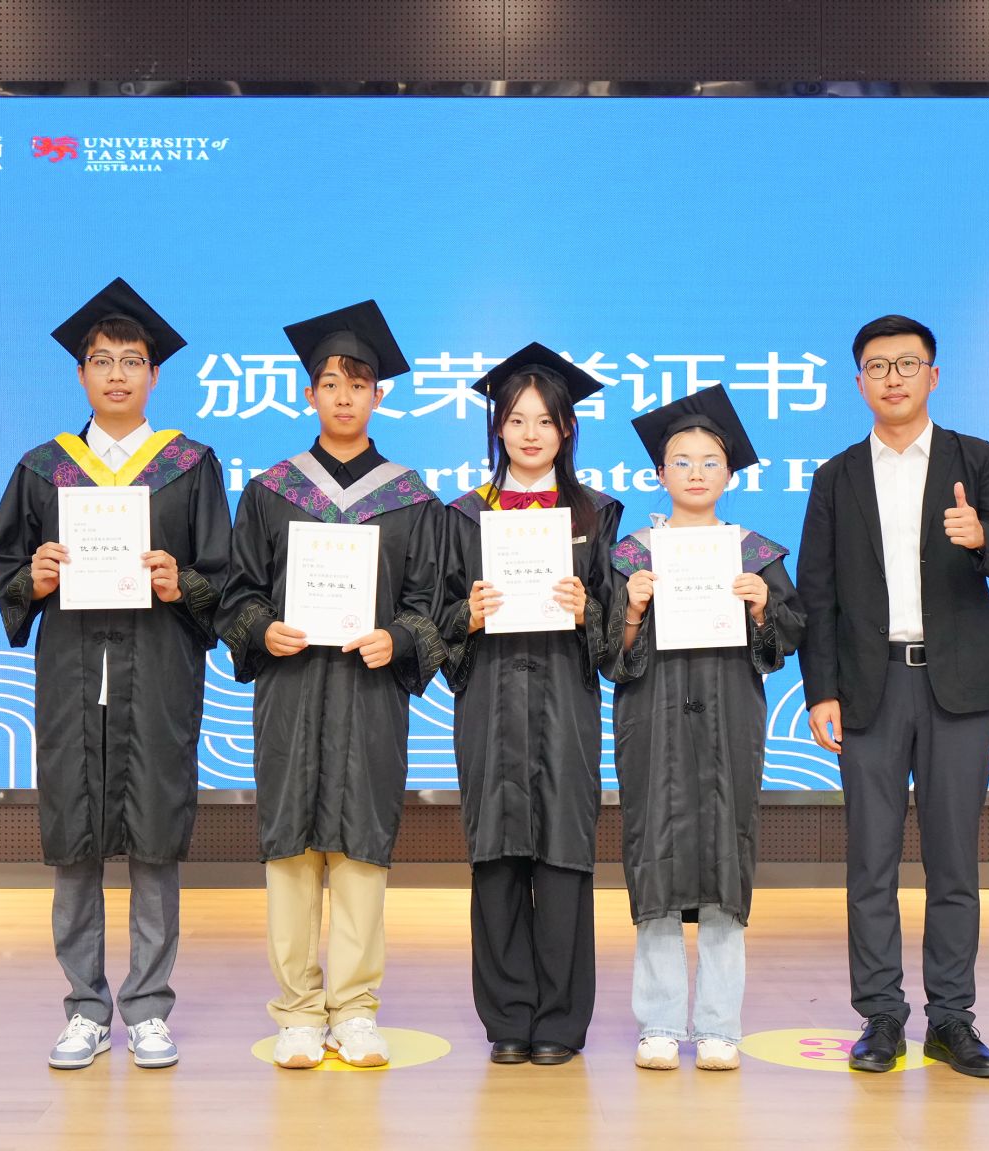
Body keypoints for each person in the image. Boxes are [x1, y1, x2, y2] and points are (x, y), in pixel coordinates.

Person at [0, 277, 231, 1070]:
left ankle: (149, 1007)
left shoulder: (189, 466)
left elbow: (223, 575)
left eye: (131, 361)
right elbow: (4, 561)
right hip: (72, 673)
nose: (117, 374)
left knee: (155, 840)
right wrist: (33, 579)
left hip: (156, 673)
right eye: (102, 360)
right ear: (81, 373)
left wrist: (180, 582)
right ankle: (86, 1008)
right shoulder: (43, 468)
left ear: (154, 374)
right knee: (75, 839)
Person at [796, 314, 989, 1078]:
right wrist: (820, 691)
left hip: (956, 685)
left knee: (953, 860)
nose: (892, 377)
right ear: (858, 382)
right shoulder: (836, 477)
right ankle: (881, 1016)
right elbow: (817, 592)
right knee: (870, 861)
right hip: (868, 687)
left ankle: (952, 1018)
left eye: (906, 363)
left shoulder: (977, 459)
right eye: (877, 365)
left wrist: (981, 538)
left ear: (934, 375)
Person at [216, 299, 448, 1069]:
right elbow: (237, 593)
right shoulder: (271, 490)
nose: (344, 396)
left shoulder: (410, 497)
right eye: (330, 382)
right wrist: (261, 628)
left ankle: (354, 1009)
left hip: (369, 695)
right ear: (309, 393)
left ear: (379, 394)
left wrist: (399, 638)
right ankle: (296, 1010)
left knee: (360, 851)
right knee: (291, 851)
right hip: (291, 693)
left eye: (359, 382)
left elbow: (432, 604)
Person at [603, 385, 803, 1072]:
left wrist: (762, 606)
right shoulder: (631, 555)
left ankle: (720, 1024)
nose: (695, 472)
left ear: (730, 474)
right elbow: (607, 654)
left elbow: (787, 637)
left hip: (728, 725)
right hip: (652, 723)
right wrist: (631, 609)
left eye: (710, 461)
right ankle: (659, 1022)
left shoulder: (755, 555)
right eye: (681, 461)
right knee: (655, 859)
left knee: (725, 857)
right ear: (659, 473)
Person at [442, 344, 621, 1066]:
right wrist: (466, 616)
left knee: (563, 855)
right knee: (496, 856)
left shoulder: (596, 515)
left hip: (565, 706)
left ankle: (561, 1021)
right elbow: (434, 614)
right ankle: (507, 1017)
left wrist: (588, 612)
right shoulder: (462, 516)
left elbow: (619, 630)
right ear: (497, 429)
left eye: (545, 420)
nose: (530, 433)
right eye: (516, 419)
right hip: (489, 703)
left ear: (567, 429)